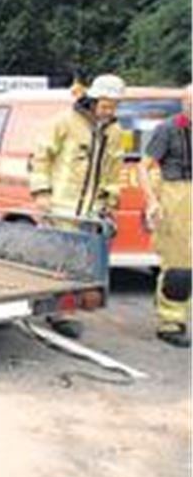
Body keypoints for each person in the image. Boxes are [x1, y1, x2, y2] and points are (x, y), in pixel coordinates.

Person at [29, 73, 126, 338]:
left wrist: (109, 200)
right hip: (61, 203)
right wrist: (41, 192)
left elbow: (113, 170)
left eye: (114, 106)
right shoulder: (64, 122)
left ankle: (65, 310)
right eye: (105, 105)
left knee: (79, 262)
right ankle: (56, 310)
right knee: (59, 258)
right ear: (93, 100)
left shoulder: (115, 132)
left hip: (91, 209)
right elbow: (41, 157)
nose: (109, 110)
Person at [138, 92, 191, 347]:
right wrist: (152, 200)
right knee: (178, 264)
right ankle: (170, 321)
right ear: (184, 104)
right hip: (175, 194)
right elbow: (143, 167)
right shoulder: (167, 130)